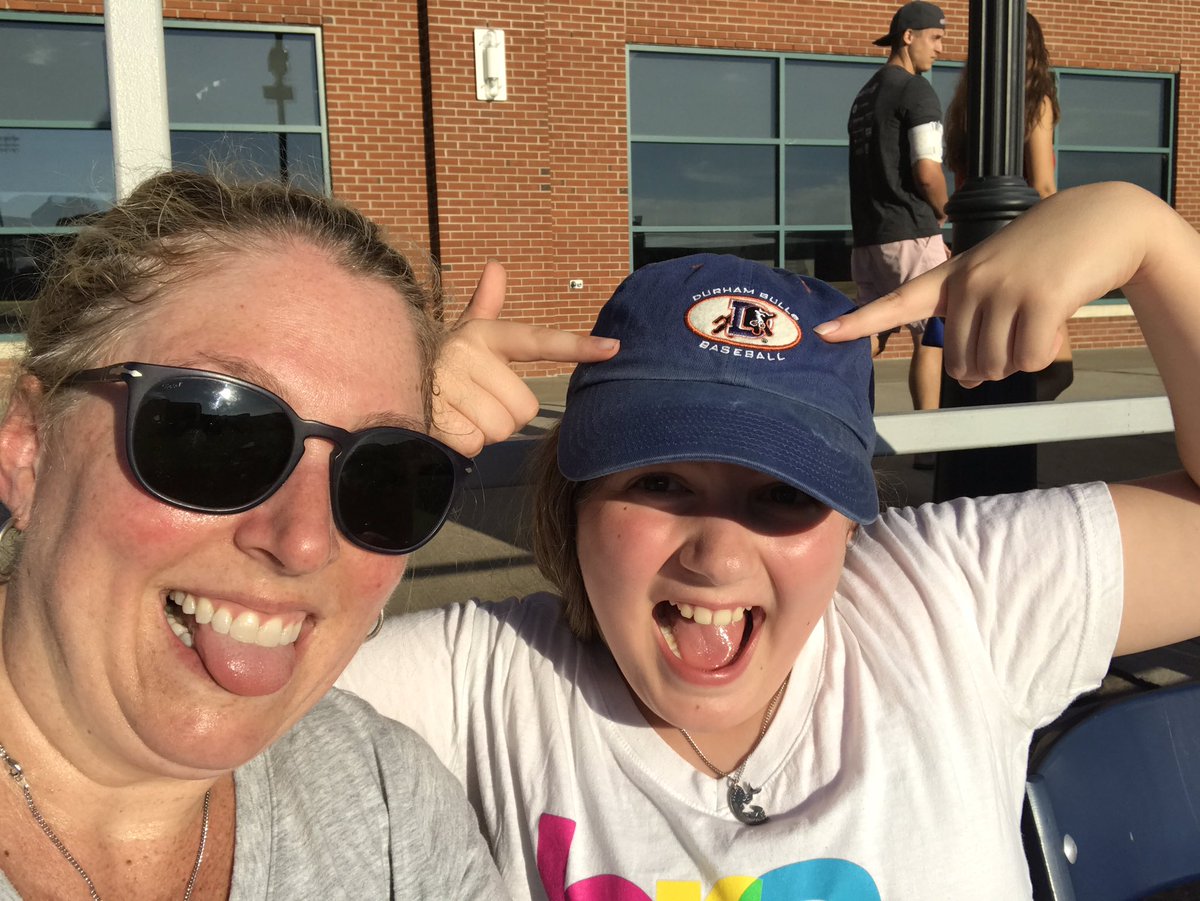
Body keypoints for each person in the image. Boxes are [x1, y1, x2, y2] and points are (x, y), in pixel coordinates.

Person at [341, 181, 1200, 899]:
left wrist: (1146, 239)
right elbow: (257, 695)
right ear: (576, 502)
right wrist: (377, 458)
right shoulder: (485, 687)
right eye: (660, 482)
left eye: (786, 493)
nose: (717, 556)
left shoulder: (951, 604)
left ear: (851, 520)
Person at [0, 169, 546, 899]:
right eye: (214, 431)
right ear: (29, 444)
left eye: (382, 472)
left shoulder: (390, 801)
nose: (304, 542)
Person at [943, 10, 1074, 401]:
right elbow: (1044, 185)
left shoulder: (966, 107)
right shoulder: (1036, 102)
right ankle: (1016, 429)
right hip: (1025, 247)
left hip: (974, 245)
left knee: (985, 368)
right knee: (1054, 368)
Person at [847, 0, 949, 422]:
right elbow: (927, 171)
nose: (941, 48)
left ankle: (843, 418)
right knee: (933, 335)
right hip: (911, 234)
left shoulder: (864, 96)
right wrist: (945, 210)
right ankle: (931, 440)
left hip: (868, 240)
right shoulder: (915, 90)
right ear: (909, 37)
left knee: (868, 336)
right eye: (936, 38)